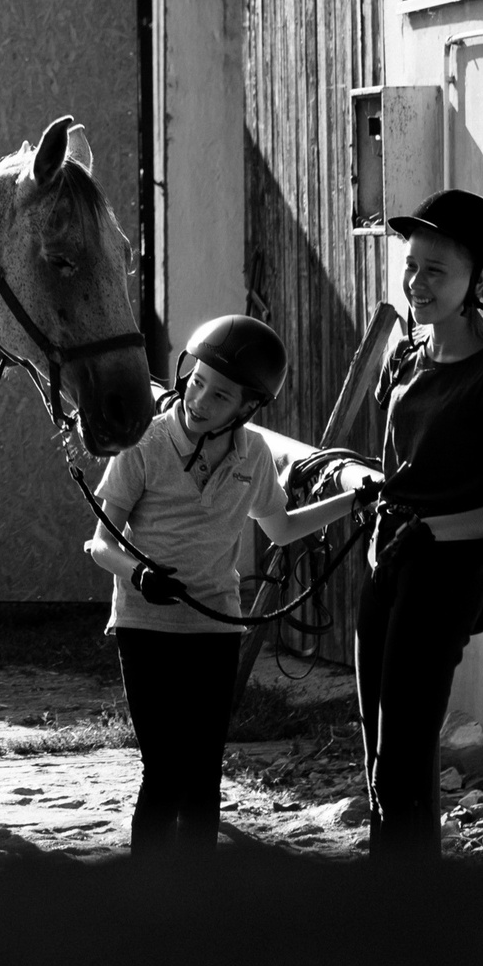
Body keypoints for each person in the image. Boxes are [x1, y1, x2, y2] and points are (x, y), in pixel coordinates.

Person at [83, 316, 354, 853]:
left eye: (220, 394)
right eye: (197, 381)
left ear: (247, 408)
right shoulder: (144, 443)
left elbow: (281, 527)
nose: (200, 399)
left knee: (204, 774)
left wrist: (353, 502)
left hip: (215, 629)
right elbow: (98, 544)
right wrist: (138, 573)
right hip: (146, 624)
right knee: (163, 772)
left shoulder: (252, 455)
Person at [356, 189, 483, 858]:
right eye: (412, 265)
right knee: (378, 755)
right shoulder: (406, 356)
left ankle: (413, 920)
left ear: (479, 280)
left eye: (436, 269)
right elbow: (400, 467)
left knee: (406, 756)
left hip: (442, 575)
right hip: (387, 559)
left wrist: (433, 530)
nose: (416, 281)